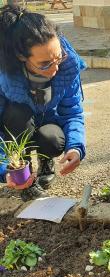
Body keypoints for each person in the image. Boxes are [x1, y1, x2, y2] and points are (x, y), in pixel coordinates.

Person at [0, 5, 86, 200]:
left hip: (48, 121)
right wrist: (5, 168)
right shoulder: (4, 75)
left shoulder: (68, 66)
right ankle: (23, 174)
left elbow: (72, 111)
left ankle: (46, 161)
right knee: (17, 115)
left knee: (53, 140)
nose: (55, 68)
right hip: (15, 128)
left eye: (58, 58)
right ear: (21, 57)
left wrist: (75, 147)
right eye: (45, 64)